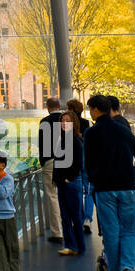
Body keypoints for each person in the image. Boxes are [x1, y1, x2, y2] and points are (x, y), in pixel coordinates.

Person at [85, 93, 135, 271]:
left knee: (111, 233)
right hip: (127, 188)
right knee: (129, 230)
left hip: (104, 190)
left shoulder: (92, 133)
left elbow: (88, 163)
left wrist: (95, 179)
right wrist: (134, 176)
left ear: (95, 110)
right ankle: (128, 266)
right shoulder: (123, 130)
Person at [55, 109, 86, 256]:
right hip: (64, 183)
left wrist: (69, 178)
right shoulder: (64, 139)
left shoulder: (74, 140)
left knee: (74, 216)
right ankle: (72, 245)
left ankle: (77, 246)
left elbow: (79, 162)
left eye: (67, 121)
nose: (64, 123)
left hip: (71, 183)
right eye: (62, 121)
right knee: (66, 216)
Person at [37, 97, 64, 244]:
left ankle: (57, 231)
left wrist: (44, 161)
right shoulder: (66, 120)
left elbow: (43, 145)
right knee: (65, 194)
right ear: (59, 106)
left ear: (48, 107)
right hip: (66, 161)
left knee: (52, 196)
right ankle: (70, 227)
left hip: (51, 162)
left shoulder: (45, 122)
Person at [66, 97, 94, 234]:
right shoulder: (88, 123)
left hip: (73, 160)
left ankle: (79, 217)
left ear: (71, 109)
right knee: (88, 191)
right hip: (87, 159)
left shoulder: (67, 124)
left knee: (77, 190)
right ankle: (88, 219)